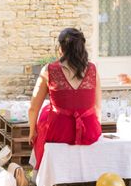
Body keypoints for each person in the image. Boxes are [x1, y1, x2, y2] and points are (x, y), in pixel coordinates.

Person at [28, 28, 102, 171]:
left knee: (45, 113)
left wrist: (32, 131)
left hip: (58, 130)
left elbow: (33, 108)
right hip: (88, 129)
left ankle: (45, 171)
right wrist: (94, 127)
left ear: (61, 48)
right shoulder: (93, 69)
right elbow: (98, 107)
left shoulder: (48, 70)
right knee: (48, 110)